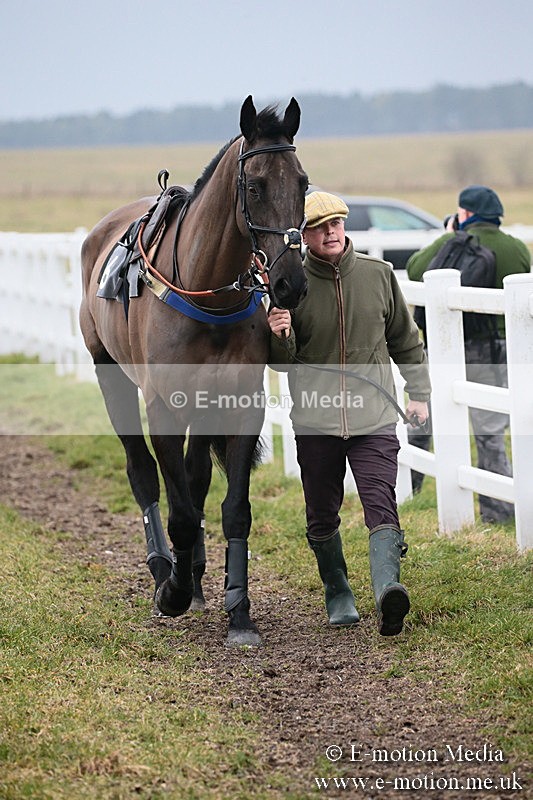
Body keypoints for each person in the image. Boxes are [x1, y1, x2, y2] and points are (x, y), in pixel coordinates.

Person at [268, 191, 431, 636]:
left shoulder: (378, 275)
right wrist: (280, 335)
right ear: (303, 237)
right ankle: (338, 591)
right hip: (315, 420)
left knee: (381, 502)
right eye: (319, 227)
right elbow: (280, 364)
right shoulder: (290, 284)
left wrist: (419, 393)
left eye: (336, 223)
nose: (331, 232)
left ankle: (387, 590)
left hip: (374, 416)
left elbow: (406, 341)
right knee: (322, 513)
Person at [406, 185, 531, 523]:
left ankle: (406, 491)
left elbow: (416, 268)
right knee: (490, 432)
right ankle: (498, 511)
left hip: (450, 348)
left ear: (465, 213)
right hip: (499, 350)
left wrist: (449, 235)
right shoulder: (515, 247)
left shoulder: (453, 242)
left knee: (422, 420)